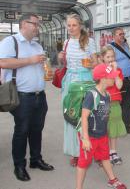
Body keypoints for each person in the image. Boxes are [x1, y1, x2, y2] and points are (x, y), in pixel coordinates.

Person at [0, 13, 54, 181]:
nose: (37, 27)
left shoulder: (37, 45)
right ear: (24, 24)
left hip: (40, 95)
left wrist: (47, 71)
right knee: (22, 131)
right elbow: (3, 62)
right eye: (35, 24)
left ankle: (36, 160)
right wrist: (30, 60)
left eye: (38, 24)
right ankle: (19, 166)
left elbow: (41, 65)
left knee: (36, 130)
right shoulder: (11, 41)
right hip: (22, 96)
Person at [76, 63, 126, 189]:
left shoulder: (107, 95)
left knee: (105, 157)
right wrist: (85, 139)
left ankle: (112, 180)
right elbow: (84, 117)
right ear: (103, 79)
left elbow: (103, 116)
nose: (113, 79)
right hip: (90, 136)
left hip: (102, 135)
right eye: (111, 77)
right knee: (83, 163)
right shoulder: (91, 95)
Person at [58, 14, 98, 166]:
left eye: (74, 25)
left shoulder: (90, 41)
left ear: (80, 25)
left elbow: (96, 63)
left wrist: (90, 65)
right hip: (69, 82)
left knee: (84, 118)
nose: (71, 28)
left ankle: (86, 149)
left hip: (85, 81)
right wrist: (61, 58)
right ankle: (74, 151)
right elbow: (64, 63)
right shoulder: (66, 42)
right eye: (68, 25)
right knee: (70, 117)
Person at [109, 27, 130, 135]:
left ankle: (126, 126)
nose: (122, 36)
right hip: (119, 80)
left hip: (129, 79)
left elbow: (129, 60)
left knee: (127, 104)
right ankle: (114, 126)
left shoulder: (125, 46)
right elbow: (108, 63)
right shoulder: (110, 47)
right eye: (120, 34)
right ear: (114, 36)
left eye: (123, 34)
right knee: (116, 104)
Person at [101, 46, 127, 165]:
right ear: (103, 58)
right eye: (108, 57)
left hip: (115, 103)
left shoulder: (118, 70)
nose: (111, 59)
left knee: (113, 129)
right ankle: (103, 153)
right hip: (103, 103)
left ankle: (113, 152)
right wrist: (108, 71)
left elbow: (120, 85)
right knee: (103, 129)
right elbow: (103, 84)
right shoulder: (100, 69)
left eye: (112, 56)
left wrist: (115, 72)